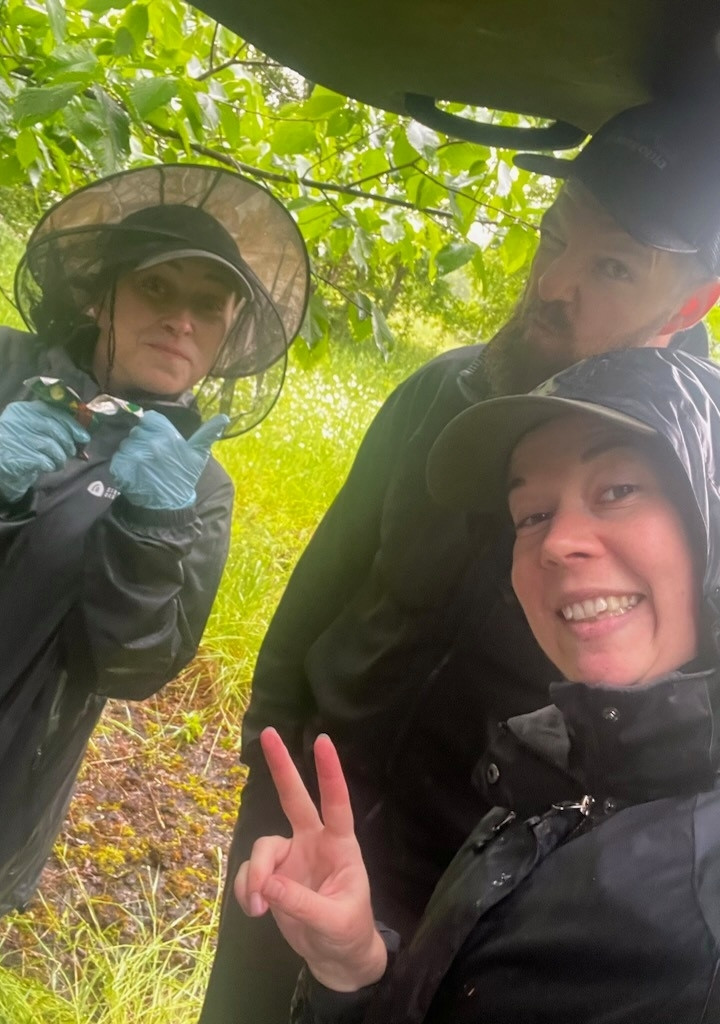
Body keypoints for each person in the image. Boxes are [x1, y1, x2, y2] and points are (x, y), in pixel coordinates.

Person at [201, 97, 720, 1022]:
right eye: (556, 236)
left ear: (688, 304)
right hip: (307, 811)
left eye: (609, 266)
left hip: (460, 871)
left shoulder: (691, 472)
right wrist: (266, 750)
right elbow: (327, 584)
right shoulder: (441, 394)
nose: (554, 282)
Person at [237, 346, 720, 1023]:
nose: (556, 544)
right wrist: (353, 972)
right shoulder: (552, 769)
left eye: (617, 489)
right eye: (531, 515)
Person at [0, 162, 309, 1020]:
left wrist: (150, 530)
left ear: (226, 336)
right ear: (101, 297)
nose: (180, 318)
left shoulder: (197, 489)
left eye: (209, 304)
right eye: (155, 286)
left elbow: (133, 666)